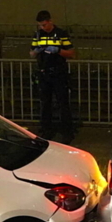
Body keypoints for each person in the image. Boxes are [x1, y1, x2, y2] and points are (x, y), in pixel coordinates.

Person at [30, 10, 76, 142]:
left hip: (58, 73)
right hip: (44, 73)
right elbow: (31, 53)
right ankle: (46, 130)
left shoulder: (61, 34)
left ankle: (67, 132)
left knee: (63, 103)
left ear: (50, 21)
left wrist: (59, 51)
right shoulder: (38, 35)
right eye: (40, 25)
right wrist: (36, 51)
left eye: (44, 25)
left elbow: (71, 53)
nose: (42, 28)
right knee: (45, 103)